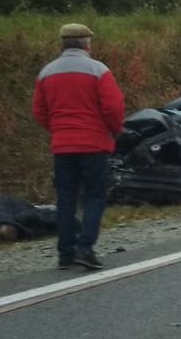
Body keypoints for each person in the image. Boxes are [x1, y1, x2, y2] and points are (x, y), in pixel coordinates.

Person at [33, 23, 125, 270]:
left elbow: (39, 111)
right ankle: (85, 248)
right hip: (94, 144)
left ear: (63, 43)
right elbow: (113, 107)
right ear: (87, 44)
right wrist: (114, 130)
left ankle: (65, 253)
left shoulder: (46, 72)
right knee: (95, 196)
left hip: (63, 147)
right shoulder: (98, 70)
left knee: (66, 199)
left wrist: (59, 130)